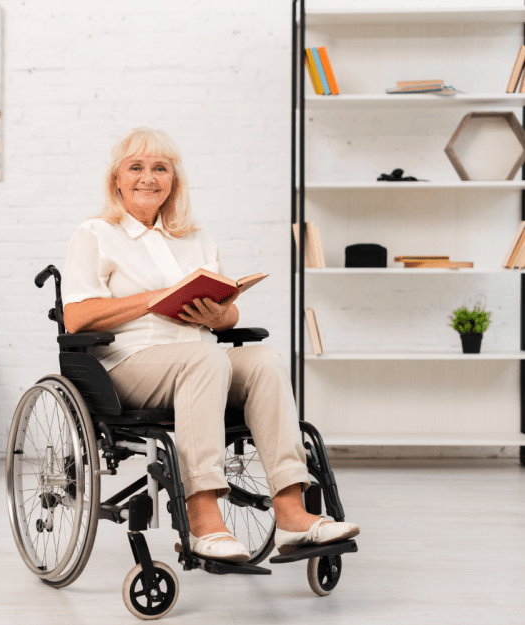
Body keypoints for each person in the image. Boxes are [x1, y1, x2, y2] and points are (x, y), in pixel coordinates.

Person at [60, 127, 359, 562]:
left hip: (200, 361)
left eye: (160, 168)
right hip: (129, 365)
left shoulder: (195, 238)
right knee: (205, 359)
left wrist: (220, 316)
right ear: (117, 180)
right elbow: (77, 316)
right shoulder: (95, 234)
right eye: (136, 167)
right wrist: (152, 301)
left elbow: (228, 311)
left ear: (173, 180)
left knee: (262, 359)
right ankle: (202, 519)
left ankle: (292, 513)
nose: (149, 177)